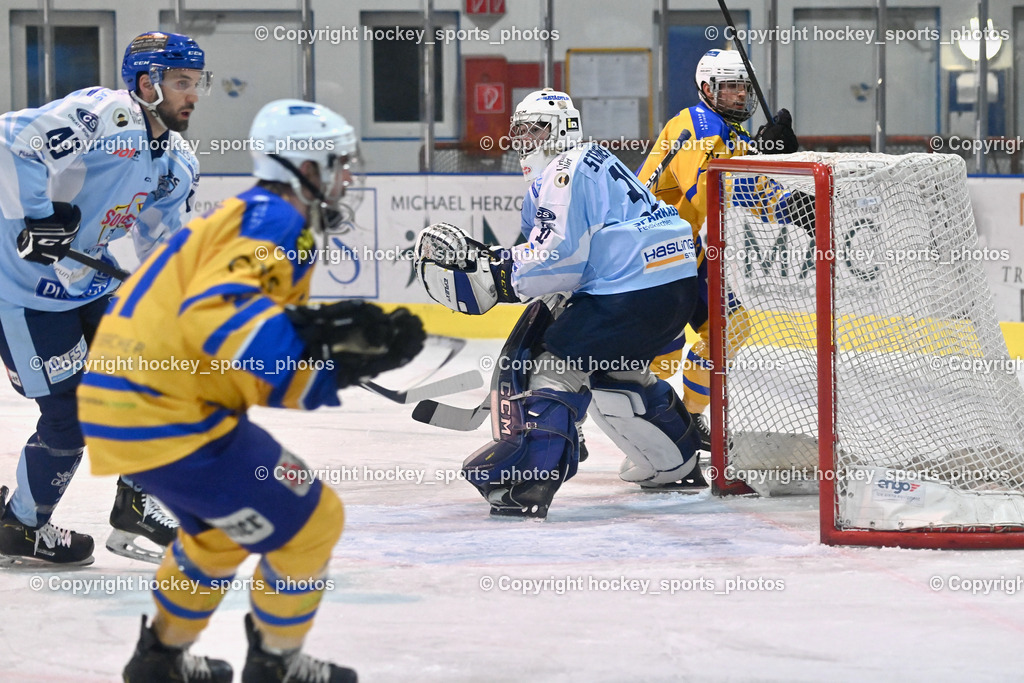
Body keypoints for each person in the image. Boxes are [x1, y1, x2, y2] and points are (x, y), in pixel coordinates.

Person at [78, 98, 424, 683]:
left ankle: (159, 662)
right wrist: (316, 351)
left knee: (214, 537)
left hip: (123, 402)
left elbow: (234, 349)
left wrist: (318, 354)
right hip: (169, 412)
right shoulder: (275, 220)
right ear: (304, 167)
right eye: (338, 162)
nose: (348, 176)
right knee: (314, 521)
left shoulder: (253, 217)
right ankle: (278, 665)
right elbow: (217, 318)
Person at [415, 88, 703, 518]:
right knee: (614, 369)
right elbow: (557, 252)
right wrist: (502, 264)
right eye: (522, 130)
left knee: (550, 367)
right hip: (672, 287)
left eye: (537, 129)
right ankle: (674, 461)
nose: (527, 139)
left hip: (632, 291)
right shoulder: (593, 159)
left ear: (564, 130)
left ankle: (529, 481)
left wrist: (498, 274)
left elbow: (558, 259)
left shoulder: (563, 171)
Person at [0, 31, 212, 566]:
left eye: (196, 83)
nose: (192, 94)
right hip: (18, 286)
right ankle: (20, 527)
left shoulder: (175, 159)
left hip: (82, 281)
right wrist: (40, 218)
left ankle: (137, 501)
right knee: (69, 418)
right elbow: (11, 142)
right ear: (146, 84)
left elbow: (162, 243)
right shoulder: (106, 115)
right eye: (181, 82)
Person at [636, 49, 799, 450]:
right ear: (707, 88)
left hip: (682, 254)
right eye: (730, 88)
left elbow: (746, 182)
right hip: (645, 254)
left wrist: (795, 206)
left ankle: (688, 420)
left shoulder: (730, 132)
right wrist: (760, 156)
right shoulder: (695, 123)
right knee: (664, 352)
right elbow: (706, 189)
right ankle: (635, 419)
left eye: (744, 88)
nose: (741, 96)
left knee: (729, 327)